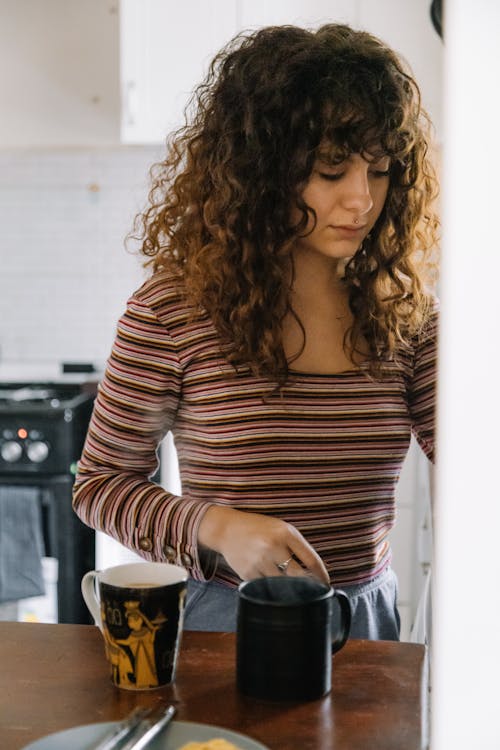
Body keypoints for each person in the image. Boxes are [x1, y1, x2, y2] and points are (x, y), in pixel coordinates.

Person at [73, 23, 439, 640]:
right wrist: (215, 525)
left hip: (365, 629)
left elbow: (475, 467)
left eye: (379, 170)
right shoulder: (174, 311)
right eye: (329, 171)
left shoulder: (405, 313)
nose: (362, 199)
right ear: (262, 170)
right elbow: (101, 486)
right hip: (227, 625)